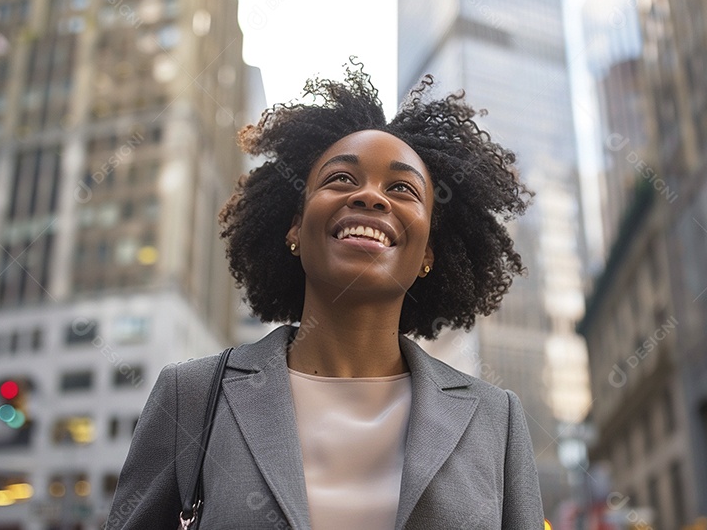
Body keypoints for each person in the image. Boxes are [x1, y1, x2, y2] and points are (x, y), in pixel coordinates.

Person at [106, 60, 543, 529]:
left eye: (401, 188)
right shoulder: (190, 398)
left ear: (428, 254)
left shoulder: (496, 420)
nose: (371, 198)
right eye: (341, 179)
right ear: (294, 226)